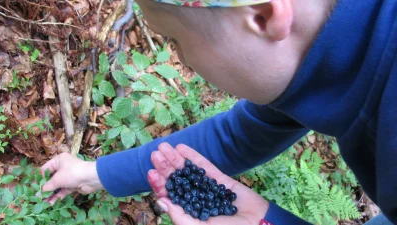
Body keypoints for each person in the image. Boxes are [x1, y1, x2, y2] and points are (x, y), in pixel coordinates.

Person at [40, 0, 397, 224]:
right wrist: (94, 173)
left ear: (263, 17)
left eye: (175, 41)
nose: (181, 60)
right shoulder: (317, 56)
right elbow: (236, 137)